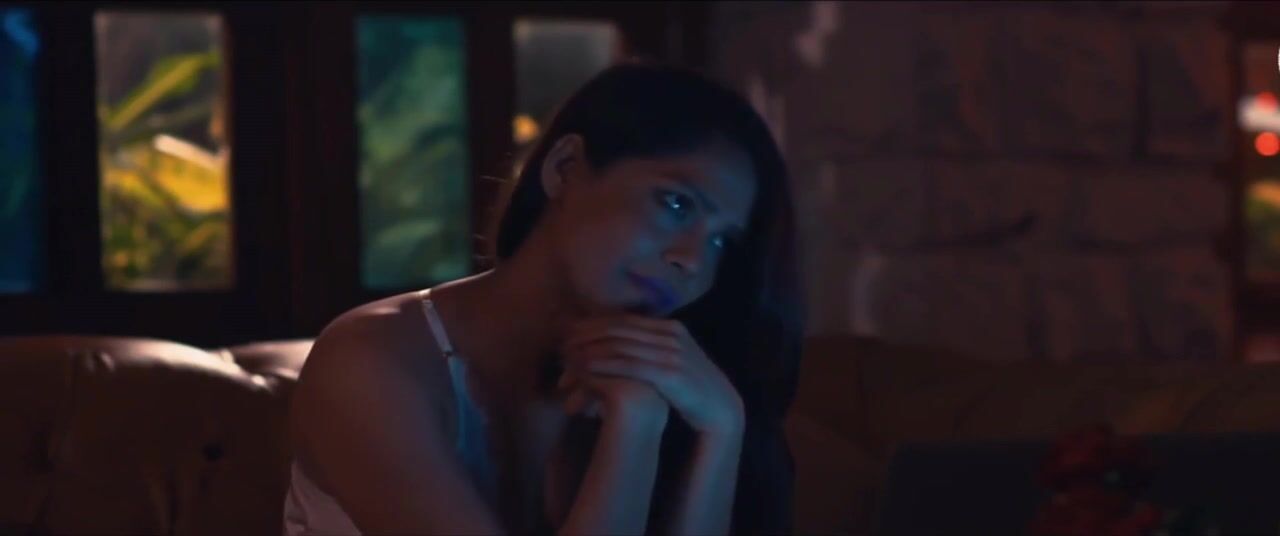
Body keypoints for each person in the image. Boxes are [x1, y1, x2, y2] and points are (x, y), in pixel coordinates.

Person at [283, 60, 805, 535]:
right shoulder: (371, 360)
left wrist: (721, 429)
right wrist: (637, 426)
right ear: (564, 167)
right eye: (676, 204)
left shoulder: (648, 380)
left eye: (721, 242)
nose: (692, 260)